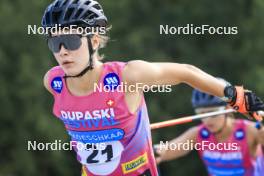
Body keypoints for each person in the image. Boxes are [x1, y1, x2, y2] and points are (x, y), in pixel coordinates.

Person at [41, 0, 264, 175]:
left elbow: (186, 72)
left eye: (71, 41)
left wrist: (237, 97)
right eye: (54, 42)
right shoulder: (53, 82)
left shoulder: (128, 76)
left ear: (95, 42)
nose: (62, 51)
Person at [155, 88, 264, 176]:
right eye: (201, 114)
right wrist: (157, 152)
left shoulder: (250, 130)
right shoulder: (198, 134)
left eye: (213, 113)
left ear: (227, 108)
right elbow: (169, 149)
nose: (207, 120)